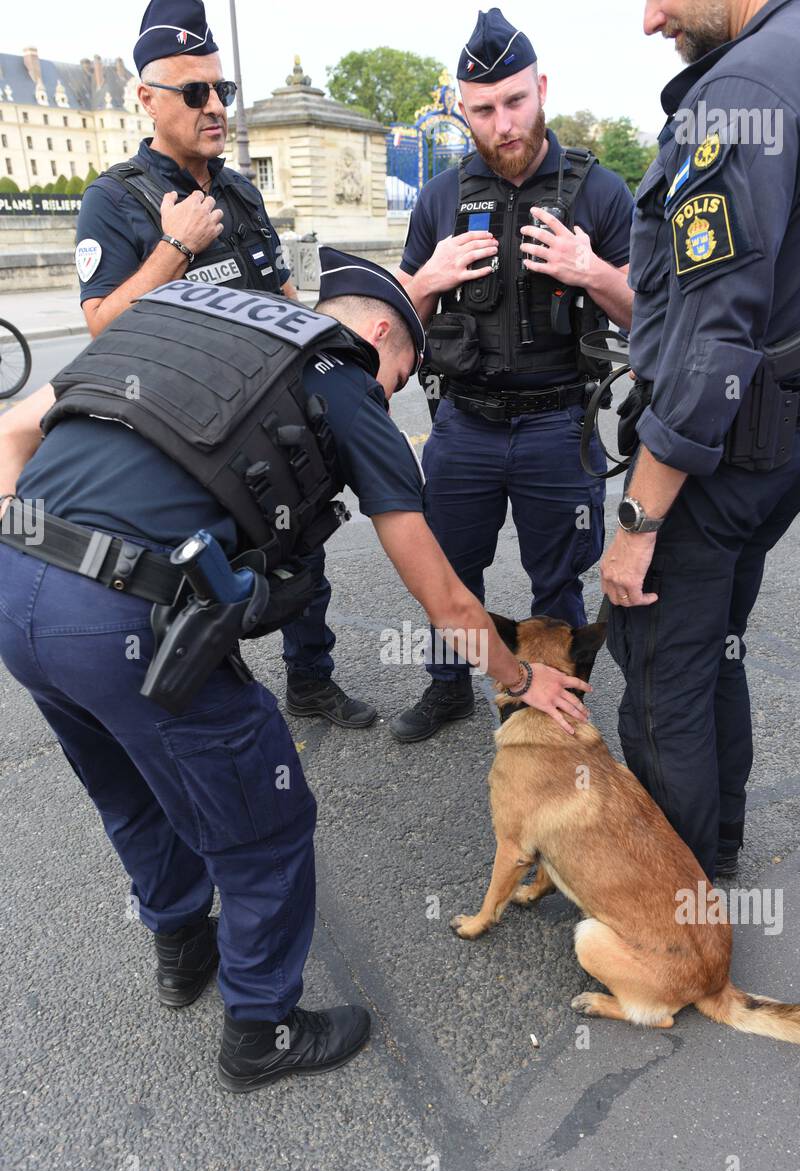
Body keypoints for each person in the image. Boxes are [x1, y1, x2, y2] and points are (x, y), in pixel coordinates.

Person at [0, 252, 592, 1094]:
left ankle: (181, 951)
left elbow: (11, 432)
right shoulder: (343, 378)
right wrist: (520, 679)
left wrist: (32, 548)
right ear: (382, 332)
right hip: (122, 619)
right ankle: (261, 1029)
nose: (391, 394)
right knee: (262, 821)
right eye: (402, 375)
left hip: (15, 581)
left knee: (128, 785)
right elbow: (447, 603)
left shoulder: (190, 321)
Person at [598, 0, 800, 880]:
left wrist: (638, 524)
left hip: (711, 455)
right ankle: (713, 857)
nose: (649, 20)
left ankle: (673, 906)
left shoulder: (746, 85)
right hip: (781, 440)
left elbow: (714, 336)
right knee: (716, 650)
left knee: (663, 672)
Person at [75, 0, 374, 732]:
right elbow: (100, 326)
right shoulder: (115, 200)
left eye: (223, 90)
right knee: (191, 581)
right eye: (195, 92)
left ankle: (311, 679)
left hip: (264, 423)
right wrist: (172, 249)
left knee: (302, 554)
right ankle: (208, 712)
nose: (215, 107)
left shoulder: (238, 190)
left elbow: (283, 293)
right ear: (147, 98)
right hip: (174, 437)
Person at [391, 7, 635, 743]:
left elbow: (644, 317)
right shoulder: (439, 199)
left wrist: (589, 271)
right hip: (462, 423)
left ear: (542, 91)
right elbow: (394, 317)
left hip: (560, 424)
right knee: (447, 569)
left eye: (515, 101)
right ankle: (447, 687)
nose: (503, 123)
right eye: (483, 110)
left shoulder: (601, 192)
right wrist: (425, 279)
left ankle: (558, 695)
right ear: (462, 112)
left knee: (557, 580)